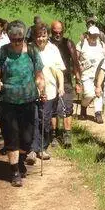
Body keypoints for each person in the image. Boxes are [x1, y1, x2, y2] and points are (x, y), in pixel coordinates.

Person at [0, 20, 45, 187]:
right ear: (9, 37)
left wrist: (42, 89)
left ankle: (20, 161)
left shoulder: (33, 52)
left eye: (19, 40)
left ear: (24, 38)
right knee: (11, 137)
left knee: (27, 139)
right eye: (13, 39)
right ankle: (14, 172)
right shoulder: (2, 53)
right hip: (8, 101)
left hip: (28, 101)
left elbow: (39, 75)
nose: (16, 43)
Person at [30, 23, 64, 160]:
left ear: (47, 36)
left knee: (45, 120)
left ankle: (42, 147)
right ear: (34, 37)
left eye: (43, 36)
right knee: (33, 119)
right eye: (38, 36)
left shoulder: (53, 49)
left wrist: (61, 86)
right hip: (32, 91)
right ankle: (33, 149)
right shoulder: (30, 49)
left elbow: (58, 71)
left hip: (49, 90)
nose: (41, 39)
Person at [49, 20, 80, 148]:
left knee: (67, 107)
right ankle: (53, 135)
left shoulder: (68, 43)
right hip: (50, 80)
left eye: (60, 31)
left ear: (63, 31)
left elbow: (75, 62)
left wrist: (78, 81)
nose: (58, 33)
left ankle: (67, 135)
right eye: (55, 31)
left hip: (66, 80)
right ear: (52, 31)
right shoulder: (48, 43)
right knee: (53, 109)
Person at [77, 25, 105, 123]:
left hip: (99, 74)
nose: (94, 37)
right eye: (92, 35)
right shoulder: (81, 44)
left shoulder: (102, 45)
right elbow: (76, 59)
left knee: (99, 93)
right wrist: (77, 70)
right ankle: (84, 106)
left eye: (96, 35)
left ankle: (98, 113)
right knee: (89, 94)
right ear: (88, 35)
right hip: (86, 74)